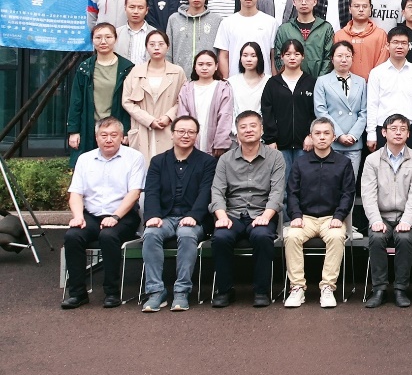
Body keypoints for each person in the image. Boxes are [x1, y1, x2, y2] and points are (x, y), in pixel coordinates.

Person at [61, 118, 145, 309]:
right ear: (96, 137)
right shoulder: (85, 159)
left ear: (122, 137)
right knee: (73, 236)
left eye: (114, 135)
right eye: (104, 135)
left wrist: (115, 217)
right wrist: (78, 216)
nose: (109, 139)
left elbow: (134, 193)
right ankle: (77, 293)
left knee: (108, 236)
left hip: (123, 215)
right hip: (91, 215)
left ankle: (112, 292)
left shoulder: (134, 157)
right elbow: (75, 193)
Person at [139, 116, 216, 312]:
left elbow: (206, 193)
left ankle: (182, 291)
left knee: (187, 233)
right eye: (181, 131)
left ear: (196, 135)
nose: (185, 135)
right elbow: (152, 191)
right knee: (151, 233)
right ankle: (156, 292)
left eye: (191, 132)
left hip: (194, 219)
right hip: (165, 217)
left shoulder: (207, 162)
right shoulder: (158, 161)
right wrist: (153, 216)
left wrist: (194, 216)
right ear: (172, 134)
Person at [209, 110, 285, 308]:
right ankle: (225, 290)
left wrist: (266, 216)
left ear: (262, 129)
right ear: (237, 132)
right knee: (221, 237)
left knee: (262, 236)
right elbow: (217, 191)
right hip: (232, 213)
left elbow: (277, 192)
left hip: (262, 212)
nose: (248, 130)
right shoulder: (225, 159)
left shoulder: (275, 157)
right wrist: (222, 216)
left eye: (253, 126)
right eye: (243, 127)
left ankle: (261, 291)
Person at [282, 117, 356, 309]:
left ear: (333, 137)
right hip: (305, 218)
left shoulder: (343, 163)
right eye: (317, 133)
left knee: (336, 237)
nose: (322, 137)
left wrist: (339, 217)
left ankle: (328, 287)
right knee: (291, 236)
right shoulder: (300, 163)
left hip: (331, 218)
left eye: (326, 133)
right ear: (311, 137)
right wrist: (296, 215)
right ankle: (297, 287)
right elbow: (292, 192)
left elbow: (348, 194)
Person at [361, 113, 412, 308]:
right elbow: (368, 194)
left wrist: (407, 220)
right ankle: (379, 289)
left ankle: (400, 289)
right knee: (376, 237)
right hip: (381, 217)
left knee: (404, 238)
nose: (398, 133)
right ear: (384, 132)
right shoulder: (372, 160)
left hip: (407, 217)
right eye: (393, 129)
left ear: (408, 134)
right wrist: (375, 220)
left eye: (403, 129)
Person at [68, 23, 134, 165]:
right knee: (90, 167)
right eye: (98, 37)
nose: (103, 41)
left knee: (118, 166)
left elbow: (131, 103)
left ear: (115, 39)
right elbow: (76, 101)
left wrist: (127, 130)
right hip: (90, 126)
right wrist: (73, 131)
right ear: (92, 40)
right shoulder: (85, 68)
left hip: (116, 128)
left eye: (108, 37)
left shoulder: (127, 68)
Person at [122, 30, 187, 162]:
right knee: (142, 165)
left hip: (167, 127)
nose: (156, 48)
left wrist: (169, 116)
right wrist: (148, 120)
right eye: (152, 44)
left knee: (167, 165)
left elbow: (183, 100)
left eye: (161, 44)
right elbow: (126, 101)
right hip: (142, 127)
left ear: (168, 47)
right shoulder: (136, 71)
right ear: (146, 47)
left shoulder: (177, 71)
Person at [261, 40, 318, 171]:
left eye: (296, 54)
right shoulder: (273, 83)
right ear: (281, 57)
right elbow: (267, 112)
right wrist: (270, 139)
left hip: (305, 144)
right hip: (279, 144)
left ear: (303, 56)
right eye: (288, 54)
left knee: (304, 180)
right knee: (283, 180)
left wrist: (311, 135)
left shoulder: (311, 82)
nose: (292, 57)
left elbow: (316, 112)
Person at [367, 27, 412, 153]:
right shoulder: (377, 72)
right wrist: (371, 134)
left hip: (410, 131)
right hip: (383, 131)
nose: (400, 46)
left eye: (404, 43)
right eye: (395, 42)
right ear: (387, 46)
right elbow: (372, 105)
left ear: (409, 46)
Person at [314, 42, 368, 174]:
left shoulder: (361, 82)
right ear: (332, 59)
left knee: (351, 181)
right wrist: (338, 135)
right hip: (332, 141)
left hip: (354, 142)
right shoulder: (322, 81)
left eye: (348, 56)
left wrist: (353, 135)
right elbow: (321, 111)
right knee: (331, 180)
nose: (344, 59)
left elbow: (364, 111)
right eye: (339, 56)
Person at [215, 0, 278, 79]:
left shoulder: (271, 22)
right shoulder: (227, 23)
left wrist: (275, 81)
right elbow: (223, 55)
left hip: (264, 81)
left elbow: (273, 55)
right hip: (235, 81)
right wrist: (225, 81)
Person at [176, 50, 233, 157]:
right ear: (195, 67)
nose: (204, 68)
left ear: (216, 66)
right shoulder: (187, 88)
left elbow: (225, 116)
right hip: (190, 144)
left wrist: (220, 142)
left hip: (215, 146)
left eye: (209, 64)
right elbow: (182, 115)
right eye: (200, 64)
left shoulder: (223, 88)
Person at [273, 0, 335, 77]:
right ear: (294, 2)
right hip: (291, 81)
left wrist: (320, 81)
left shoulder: (325, 28)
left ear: (315, 2)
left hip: (318, 81)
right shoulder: (284, 29)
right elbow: (278, 56)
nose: (303, 2)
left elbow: (329, 58)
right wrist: (289, 77)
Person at [335, 0, 388, 80]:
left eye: (365, 6)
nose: (361, 10)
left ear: (370, 9)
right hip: (345, 83)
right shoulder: (340, 35)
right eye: (356, 6)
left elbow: (383, 63)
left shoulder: (380, 34)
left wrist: (373, 81)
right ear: (349, 9)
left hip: (373, 83)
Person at [227, 42, 268, 128]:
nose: (249, 59)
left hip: (263, 132)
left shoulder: (269, 81)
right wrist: (236, 131)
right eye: (245, 55)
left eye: (253, 56)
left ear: (259, 58)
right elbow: (229, 111)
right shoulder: (231, 82)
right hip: (237, 132)